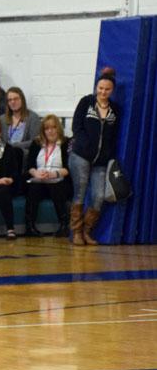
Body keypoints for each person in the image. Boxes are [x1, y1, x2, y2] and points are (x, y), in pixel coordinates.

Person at [69, 68, 120, 246]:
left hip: (101, 161)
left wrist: (108, 155)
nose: (103, 92)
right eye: (100, 88)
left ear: (112, 90)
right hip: (81, 155)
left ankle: (87, 231)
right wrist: (84, 144)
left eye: (107, 89)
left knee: (98, 196)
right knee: (80, 193)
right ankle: (76, 232)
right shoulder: (86, 102)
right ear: (96, 87)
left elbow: (114, 136)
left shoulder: (115, 110)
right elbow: (76, 126)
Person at [25, 114, 71, 238]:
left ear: (58, 129)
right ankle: (29, 227)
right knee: (33, 189)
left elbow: (69, 168)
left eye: (53, 127)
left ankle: (64, 225)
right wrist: (36, 173)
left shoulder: (66, 143)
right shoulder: (36, 143)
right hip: (39, 178)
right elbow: (29, 165)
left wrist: (54, 174)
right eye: (47, 128)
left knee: (58, 187)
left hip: (58, 178)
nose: (50, 131)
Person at [0, 86, 41, 158]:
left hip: (24, 154)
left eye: (16, 99)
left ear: (22, 100)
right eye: (10, 100)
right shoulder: (2, 119)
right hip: (4, 154)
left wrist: (15, 145)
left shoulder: (33, 118)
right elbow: (0, 140)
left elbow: (35, 142)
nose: (13, 102)